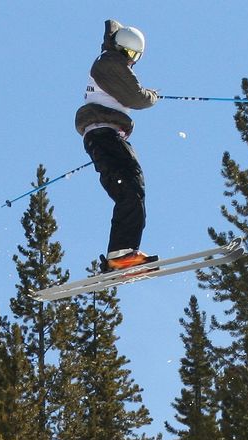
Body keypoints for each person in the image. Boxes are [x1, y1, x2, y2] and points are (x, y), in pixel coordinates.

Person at [75, 19, 158, 272]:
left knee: (130, 187)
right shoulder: (112, 63)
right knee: (130, 186)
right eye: (129, 53)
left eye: (135, 55)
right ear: (120, 47)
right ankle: (122, 254)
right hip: (105, 136)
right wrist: (151, 96)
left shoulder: (110, 60)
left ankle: (122, 253)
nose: (131, 58)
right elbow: (135, 97)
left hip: (105, 136)